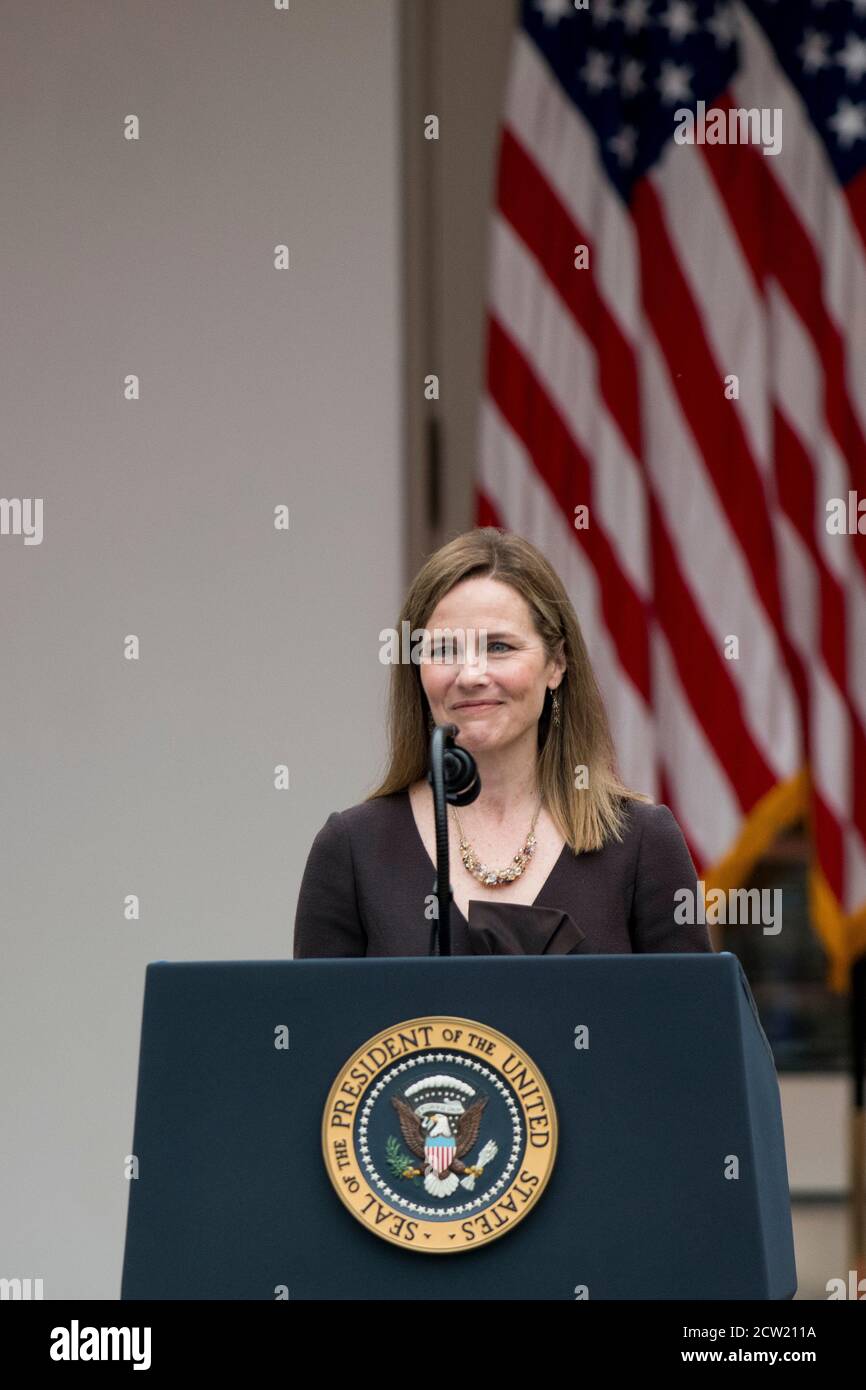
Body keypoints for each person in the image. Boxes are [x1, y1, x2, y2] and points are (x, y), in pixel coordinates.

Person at [293, 527, 713, 958]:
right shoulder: (351, 849)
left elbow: (691, 1022)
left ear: (557, 664)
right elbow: (321, 1024)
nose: (471, 675)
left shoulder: (642, 843)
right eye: (443, 650)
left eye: (498, 646)